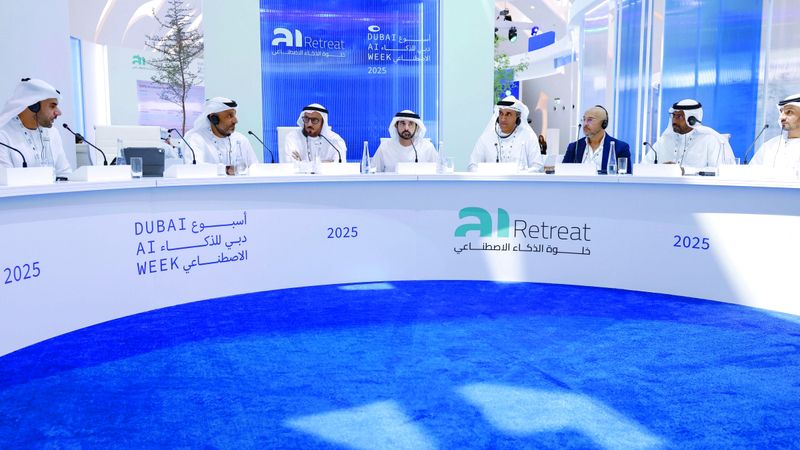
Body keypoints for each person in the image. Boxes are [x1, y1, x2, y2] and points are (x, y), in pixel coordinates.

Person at [0, 78, 71, 177]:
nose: (58, 112)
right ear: (34, 106)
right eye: (52, 106)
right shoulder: (3, 135)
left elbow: (65, 173)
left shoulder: (53, 133)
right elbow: (4, 179)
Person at [645, 99, 735, 174]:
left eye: (679, 117)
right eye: (674, 116)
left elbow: (719, 171)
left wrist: (685, 170)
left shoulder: (710, 140)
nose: (674, 121)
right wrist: (661, 168)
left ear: (692, 120)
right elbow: (644, 166)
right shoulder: (664, 140)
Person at [184, 97, 259, 174]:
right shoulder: (196, 139)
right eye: (229, 116)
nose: (235, 121)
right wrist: (227, 170)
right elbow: (194, 168)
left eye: (234, 115)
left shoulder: (241, 139)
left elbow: (255, 168)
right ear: (214, 119)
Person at [469, 95, 544, 172]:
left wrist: (518, 174)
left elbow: (538, 167)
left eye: (508, 114)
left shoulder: (529, 137)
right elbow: (472, 166)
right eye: (501, 113)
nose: (503, 119)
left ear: (517, 117)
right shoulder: (486, 138)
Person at [562, 105, 632, 174]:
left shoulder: (620, 148)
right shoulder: (574, 147)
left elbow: (626, 177)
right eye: (584, 119)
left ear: (604, 124)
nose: (585, 124)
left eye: (590, 120)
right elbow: (562, 173)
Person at [372, 110, 437, 172]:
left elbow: (439, 171)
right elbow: (372, 172)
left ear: (417, 127)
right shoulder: (384, 148)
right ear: (396, 125)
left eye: (410, 124)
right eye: (403, 123)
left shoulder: (427, 147)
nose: (406, 128)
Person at [750, 93, 800, 171]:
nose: (782, 117)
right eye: (781, 112)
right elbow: (750, 173)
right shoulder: (769, 146)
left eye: (789, 112)